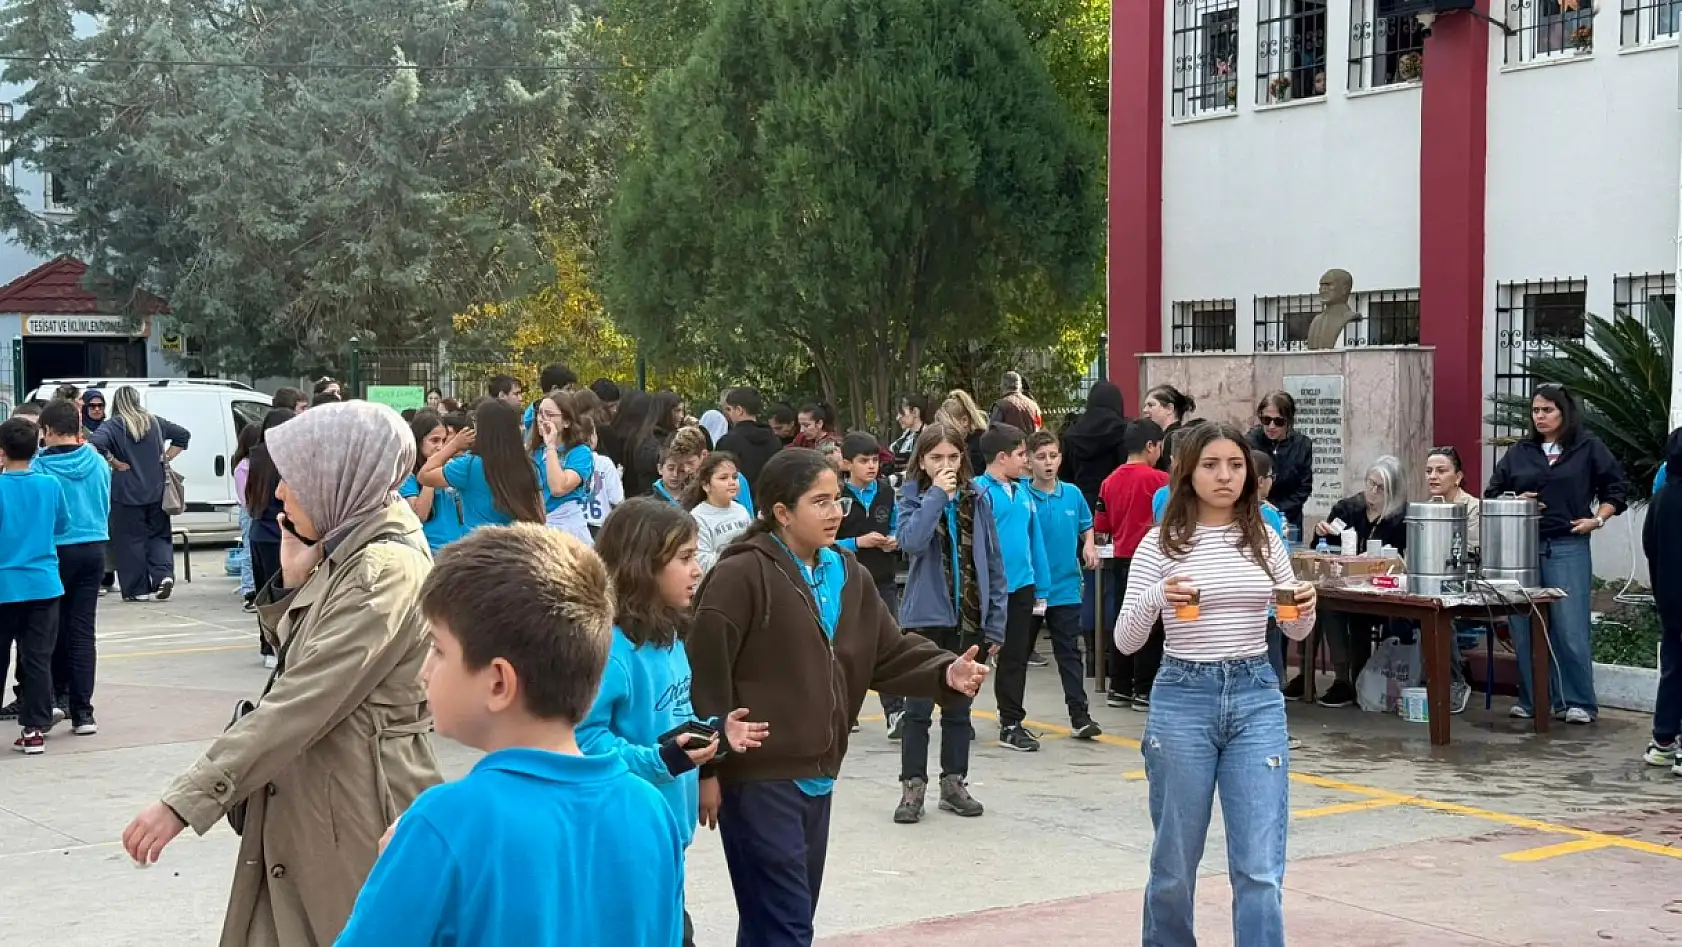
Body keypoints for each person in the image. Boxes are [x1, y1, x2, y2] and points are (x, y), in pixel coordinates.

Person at [121, 402, 445, 946]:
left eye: (293, 479)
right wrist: (296, 582)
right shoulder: (355, 550)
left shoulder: (379, 571)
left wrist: (186, 800)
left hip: (353, 810)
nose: (279, 493)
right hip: (325, 800)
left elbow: (302, 698)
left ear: (336, 478)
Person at [688, 449, 991, 945]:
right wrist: (709, 767)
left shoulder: (846, 572)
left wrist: (945, 672)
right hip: (760, 776)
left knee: (777, 920)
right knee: (787, 925)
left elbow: (886, 652)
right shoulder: (740, 575)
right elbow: (706, 674)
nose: (834, 513)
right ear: (782, 513)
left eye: (838, 501)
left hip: (819, 773)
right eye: (820, 502)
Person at [330, 522, 680, 946]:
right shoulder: (650, 809)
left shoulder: (444, 822)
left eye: (439, 650)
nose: (424, 671)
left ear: (498, 682)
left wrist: (396, 867)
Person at [1115, 421, 1317, 947]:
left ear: (1249, 473)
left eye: (1234, 465)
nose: (1224, 476)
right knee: (1175, 863)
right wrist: (1160, 593)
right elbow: (1126, 640)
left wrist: (1302, 609)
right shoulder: (1161, 544)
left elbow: (1293, 627)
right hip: (1184, 695)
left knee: (1259, 866)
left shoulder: (1265, 539)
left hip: (1256, 693)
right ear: (1187, 472)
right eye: (1211, 465)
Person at [582, 500, 769, 945]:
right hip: (625, 835)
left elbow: (675, 718)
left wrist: (715, 739)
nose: (697, 570)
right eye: (684, 558)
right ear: (642, 564)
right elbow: (583, 741)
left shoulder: (667, 636)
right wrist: (661, 760)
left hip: (667, 832)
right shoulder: (610, 649)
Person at [1487, 383, 1627, 724]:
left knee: (1570, 627)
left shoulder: (1587, 447)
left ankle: (1578, 702)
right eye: (1536, 411)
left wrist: (1597, 520)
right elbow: (1493, 491)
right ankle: (1535, 700)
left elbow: (1616, 489)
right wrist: (1516, 501)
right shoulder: (1520, 451)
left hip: (1567, 545)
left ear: (1564, 413)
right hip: (1522, 548)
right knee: (1523, 624)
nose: (1540, 417)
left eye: (1548, 410)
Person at [893, 424, 1004, 821]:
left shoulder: (977, 499)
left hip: (968, 616)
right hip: (926, 619)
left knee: (959, 709)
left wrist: (996, 621)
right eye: (936, 457)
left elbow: (992, 560)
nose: (945, 464)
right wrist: (937, 495)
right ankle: (912, 787)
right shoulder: (910, 498)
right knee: (918, 708)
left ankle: (954, 783)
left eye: (952, 457)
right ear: (921, 461)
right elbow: (910, 542)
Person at [1293, 455, 1410, 708]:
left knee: (1361, 617)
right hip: (1345, 586)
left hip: (1382, 592)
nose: (1373, 492)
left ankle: (1364, 679)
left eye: (1381, 488)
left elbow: (1403, 558)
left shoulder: (1401, 518)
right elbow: (1322, 550)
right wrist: (1320, 533)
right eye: (1371, 483)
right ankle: (1342, 679)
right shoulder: (1348, 509)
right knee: (1327, 605)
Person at [32, 400, 111, 734]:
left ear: (48, 431)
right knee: (82, 631)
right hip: (93, 546)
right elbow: (106, 500)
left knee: (48, 629)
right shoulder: (96, 460)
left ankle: (53, 700)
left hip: (55, 551)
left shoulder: (39, 468)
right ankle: (84, 712)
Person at [974, 423, 1051, 752]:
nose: (1026, 460)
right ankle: (957, 716)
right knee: (975, 655)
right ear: (1002, 457)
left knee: (1016, 657)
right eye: (1021, 454)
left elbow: (1035, 542)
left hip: (1021, 586)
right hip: (987, 589)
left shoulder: (1023, 492)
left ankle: (1011, 722)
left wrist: (1041, 586)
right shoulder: (979, 492)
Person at [1024, 430, 1102, 738]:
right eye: (1041, 457)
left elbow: (1087, 524)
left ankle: (1080, 716)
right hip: (1029, 589)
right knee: (1017, 654)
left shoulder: (1072, 494)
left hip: (1066, 587)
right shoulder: (1022, 496)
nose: (1048, 463)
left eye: (1053, 456)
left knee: (1069, 653)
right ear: (1028, 461)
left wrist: (1089, 544)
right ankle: (1009, 714)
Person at [0, 417, 67, 754]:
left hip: (3, 584)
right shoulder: (50, 484)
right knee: (38, 658)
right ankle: (34, 729)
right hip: (43, 582)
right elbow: (62, 524)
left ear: (2, 453)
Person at [89, 386, 190, 603]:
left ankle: (137, 589)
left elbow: (95, 443)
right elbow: (183, 435)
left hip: (125, 491)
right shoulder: (154, 421)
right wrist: (166, 459)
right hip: (156, 489)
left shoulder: (113, 425)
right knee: (160, 535)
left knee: (129, 541)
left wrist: (114, 461)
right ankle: (163, 575)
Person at [833, 432, 904, 734]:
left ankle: (895, 711)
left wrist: (894, 540)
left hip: (884, 580)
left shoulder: (886, 491)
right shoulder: (836, 497)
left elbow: (897, 523)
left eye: (875, 460)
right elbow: (827, 543)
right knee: (845, 647)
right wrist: (858, 542)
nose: (871, 466)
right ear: (847, 464)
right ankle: (843, 707)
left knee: (887, 644)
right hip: (847, 581)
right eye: (864, 461)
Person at [1096, 420, 1169, 708]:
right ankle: (1144, 688)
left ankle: (1119, 686)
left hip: (1121, 557)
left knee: (1123, 620)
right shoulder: (1160, 481)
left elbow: (1103, 524)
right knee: (1151, 623)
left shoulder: (1109, 481)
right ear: (1151, 446)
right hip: (1152, 561)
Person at [420, 399, 545, 529]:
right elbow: (540, 515)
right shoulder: (529, 466)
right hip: (515, 543)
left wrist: (453, 445)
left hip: (478, 544)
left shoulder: (468, 466)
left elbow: (424, 475)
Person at [244, 409, 296, 665]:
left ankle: (266, 647)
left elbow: (250, 497)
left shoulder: (255, 456)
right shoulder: (289, 457)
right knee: (284, 593)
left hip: (258, 531)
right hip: (283, 532)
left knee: (263, 593)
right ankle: (281, 644)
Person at [1644, 428, 1682, 775]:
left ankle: (1663, 743)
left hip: (1670, 602)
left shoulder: (1661, 499)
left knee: (1673, 669)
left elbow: (1649, 547)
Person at [530, 392, 595, 544]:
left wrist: (551, 446)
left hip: (567, 528)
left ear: (566, 422)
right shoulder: (533, 452)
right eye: (540, 413)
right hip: (537, 526)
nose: (542, 419)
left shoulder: (580, 453)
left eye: (550, 414)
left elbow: (558, 488)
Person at [1245, 391, 1313, 532]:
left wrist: (1278, 509)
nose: (1271, 426)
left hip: (1290, 516)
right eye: (1266, 420)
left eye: (1278, 421)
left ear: (1288, 420)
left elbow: (1304, 487)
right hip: (1255, 514)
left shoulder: (1302, 445)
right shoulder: (1250, 441)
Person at [399, 413, 467, 555]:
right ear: (418, 441)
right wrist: (430, 474)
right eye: (434, 441)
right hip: (430, 552)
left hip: (458, 550)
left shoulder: (450, 468)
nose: (440, 447)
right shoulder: (408, 476)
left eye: (443, 441)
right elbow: (420, 515)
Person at [685, 452, 753, 572]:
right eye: (723, 478)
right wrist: (737, 558)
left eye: (735, 477)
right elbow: (701, 561)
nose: (732, 482)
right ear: (706, 486)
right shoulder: (698, 517)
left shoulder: (741, 511)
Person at [716, 387, 782, 485]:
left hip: (738, 498)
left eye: (730, 409)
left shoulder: (728, 442)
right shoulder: (775, 440)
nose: (729, 414)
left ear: (739, 410)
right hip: (769, 498)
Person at [1425, 445, 1481, 549]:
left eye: (1441, 471)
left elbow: (1473, 553)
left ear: (1458, 477)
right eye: (1428, 471)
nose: (1432, 476)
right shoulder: (1425, 509)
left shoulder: (1474, 509)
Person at [232, 422, 262, 610]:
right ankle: (249, 590)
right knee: (250, 551)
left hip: (259, 509)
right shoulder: (243, 467)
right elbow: (245, 498)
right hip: (251, 511)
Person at [1142, 385, 1198, 473]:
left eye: (1150, 405)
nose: (1145, 410)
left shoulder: (1173, 438)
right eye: (1145, 406)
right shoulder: (1169, 436)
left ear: (1169, 408)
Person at [938, 390, 991, 476]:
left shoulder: (979, 445)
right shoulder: (965, 441)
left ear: (964, 421)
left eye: (949, 426)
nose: (945, 430)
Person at [653, 426, 711, 504]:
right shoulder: (689, 481)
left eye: (690, 462)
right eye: (683, 464)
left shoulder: (717, 477)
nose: (686, 469)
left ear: (704, 454)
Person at [889, 393, 930, 470]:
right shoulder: (901, 441)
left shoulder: (929, 437)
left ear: (915, 412)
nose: (898, 418)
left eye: (901, 413)